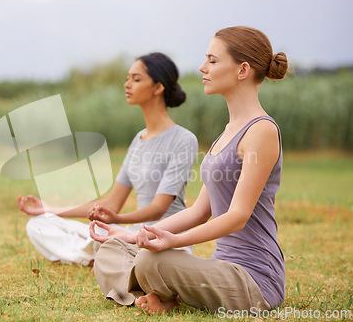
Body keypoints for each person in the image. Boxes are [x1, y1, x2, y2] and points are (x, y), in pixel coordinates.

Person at [89, 26, 288, 315]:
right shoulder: (227, 133)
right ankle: (162, 295)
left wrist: (174, 241)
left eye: (213, 60)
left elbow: (237, 217)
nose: (202, 67)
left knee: (149, 261)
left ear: (242, 70)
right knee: (112, 250)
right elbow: (198, 212)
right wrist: (131, 235)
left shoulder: (261, 131)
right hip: (221, 267)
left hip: (254, 281)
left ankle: (157, 291)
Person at [19, 52, 198, 266]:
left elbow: (159, 208)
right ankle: (106, 258)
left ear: (158, 87)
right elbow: (112, 204)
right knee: (39, 224)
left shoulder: (184, 139)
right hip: (129, 235)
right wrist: (49, 209)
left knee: (120, 244)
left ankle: (109, 259)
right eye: (127, 78)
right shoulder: (138, 140)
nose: (127, 84)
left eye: (136, 79)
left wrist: (117, 220)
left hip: (165, 239)